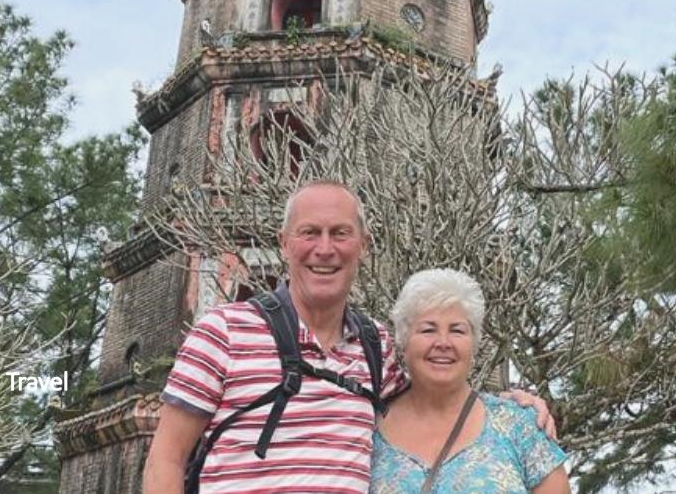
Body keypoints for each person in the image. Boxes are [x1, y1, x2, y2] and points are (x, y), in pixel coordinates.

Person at [142, 181, 555, 494]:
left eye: (340, 234)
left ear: (363, 246)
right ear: (284, 244)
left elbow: (437, 389)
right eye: (310, 233)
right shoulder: (223, 331)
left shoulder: (377, 350)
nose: (325, 249)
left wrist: (513, 404)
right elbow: (167, 457)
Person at [372, 268, 570, 493]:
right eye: (428, 330)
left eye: (457, 330)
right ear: (403, 341)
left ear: (473, 344)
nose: (443, 343)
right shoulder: (365, 430)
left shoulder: (520, 426)